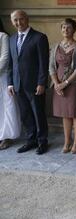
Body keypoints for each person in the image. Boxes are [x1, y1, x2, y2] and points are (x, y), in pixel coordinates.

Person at [8, 10, 49, 154]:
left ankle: (42, 141)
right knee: (25, 114)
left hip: (34, 85)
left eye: (21, 19)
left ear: (27, 19)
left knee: (38, 113)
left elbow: (43, 63)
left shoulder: (39, 37)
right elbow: (11, 63)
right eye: (15, 20)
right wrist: (10, 83)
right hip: (18, 85)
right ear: (12, 21)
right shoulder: (11, 39)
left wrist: (42, 82)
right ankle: (31, 140)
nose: (18, 23)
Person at [49, 18, 76, 154]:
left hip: (73, 83)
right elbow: (51, 66)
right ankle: (67, 141)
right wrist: (57, 84)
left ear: (74, 30)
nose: (65, 30)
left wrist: (65, 83)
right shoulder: (56, 46)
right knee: (65, 114)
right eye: (63, 27)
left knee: (75, 113)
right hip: (58, 83)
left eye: (68, 27)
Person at [0, 19, 21, 150]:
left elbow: (5, 58)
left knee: (5, 107)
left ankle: (5, 136)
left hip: (2, 77)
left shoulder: (3, 36)